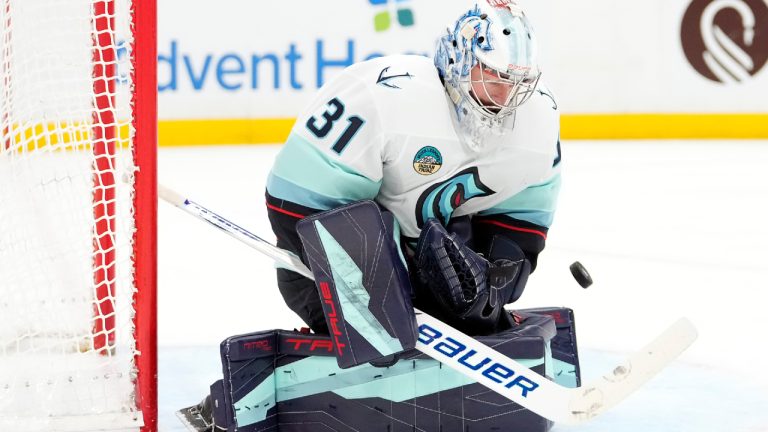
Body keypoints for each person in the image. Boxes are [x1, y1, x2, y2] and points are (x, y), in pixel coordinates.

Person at [265, 0, 561, 336]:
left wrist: (494, 277)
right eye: (493, 77)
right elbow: (294, 196)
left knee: (471, 301)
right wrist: (370, 282)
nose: (506, 96)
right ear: (460, 62)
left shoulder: (539, 120)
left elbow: (525, 218)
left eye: (517, 82)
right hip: (321, 266)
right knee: (376, 317)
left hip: (431, 259)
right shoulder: (383, 94)